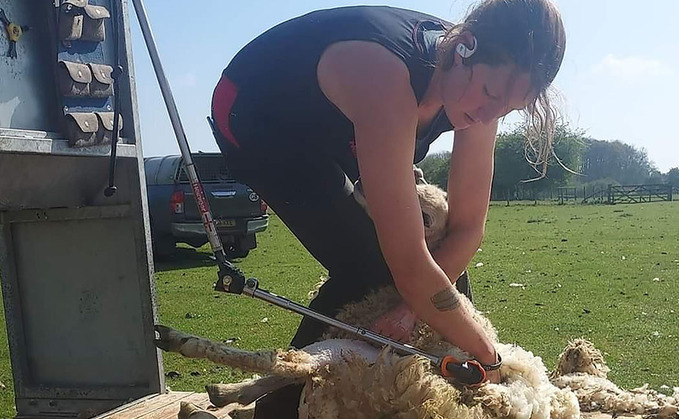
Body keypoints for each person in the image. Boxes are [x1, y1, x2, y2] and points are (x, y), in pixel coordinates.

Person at [210, 0, 565, 417]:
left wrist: (415, 312)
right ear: (465, 47)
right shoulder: (385, 74)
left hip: (339, 125)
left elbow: (467, 229)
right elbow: (409, 266)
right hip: (258, 117)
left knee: (441, 270)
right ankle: (279, 410)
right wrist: (490, 358)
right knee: (368, 268)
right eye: (490, 94)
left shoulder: (479, 86)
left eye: (507, 108)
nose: (489, 115)